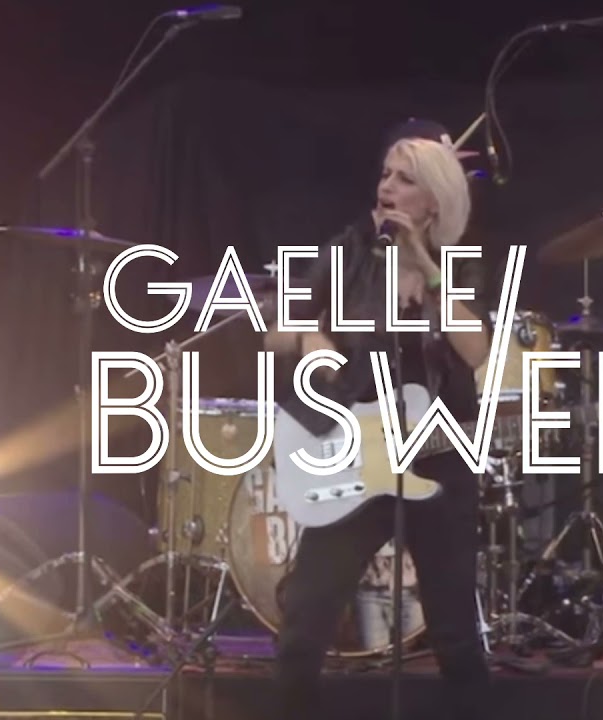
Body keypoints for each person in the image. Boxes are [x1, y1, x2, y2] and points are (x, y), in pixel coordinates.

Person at [263, 118, 494, 720]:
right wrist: (310, 337)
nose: (387, 186)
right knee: (307, 620)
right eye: (385, 174)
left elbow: (476, 350)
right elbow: (276, 327)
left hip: (437, 460)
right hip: (356, 456)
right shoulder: (351, 251)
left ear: (435, 199)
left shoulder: (461, 264)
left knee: (455, 633)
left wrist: (427, 267)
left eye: (405, 178)